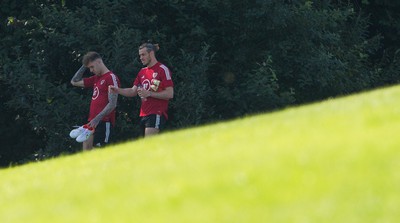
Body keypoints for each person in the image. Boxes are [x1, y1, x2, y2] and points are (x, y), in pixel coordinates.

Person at [109, 42, 174, 137]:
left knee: (149, 147)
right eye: (140, 55)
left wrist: (149, 94)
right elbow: (132, 91)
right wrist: (118, 90)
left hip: (156, 113)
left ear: (151, 53)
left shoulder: (162, 69)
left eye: (143, 54)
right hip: (143, 114)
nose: (141, 58)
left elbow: (170, 93)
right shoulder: (142, 72)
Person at [70, 51, 120, 150]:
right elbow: (74, 81)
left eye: (92, 67)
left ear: (99, 62)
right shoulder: (96, 78)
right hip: (91, 123)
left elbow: (112, 103)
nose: (91, 70)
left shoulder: (110, 77)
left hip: (104, 122)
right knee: (86, 155)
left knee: (99, 156)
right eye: (89, 68)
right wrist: (85, 65)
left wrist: (97, 119)